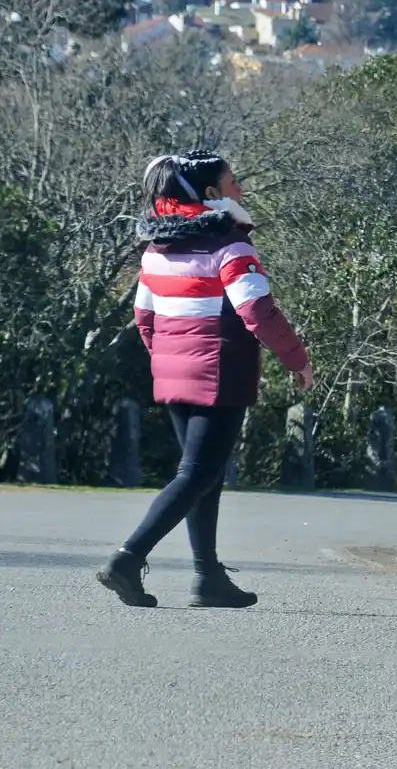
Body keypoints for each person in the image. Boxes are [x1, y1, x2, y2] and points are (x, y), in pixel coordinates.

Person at [96, 151, 313, 610]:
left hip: (174, 374)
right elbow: (256, 310)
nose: (240, 190)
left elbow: (144, 316)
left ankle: (207, 577)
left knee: (204, 477)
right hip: (220, 372)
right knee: (196, 474)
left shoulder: (156, 249)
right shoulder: (229, 246)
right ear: (213, 195)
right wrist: (296, 358)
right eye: (233, 182)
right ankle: (128, 558)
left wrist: (167, 360)